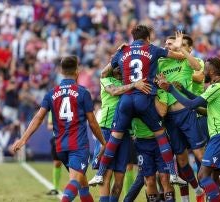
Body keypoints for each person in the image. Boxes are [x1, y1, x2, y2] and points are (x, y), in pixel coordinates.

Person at [89, 24, 186, 186]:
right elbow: (180, 57)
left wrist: (117, 53)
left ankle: (99, 174)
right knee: (160, 135)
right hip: (144, 98)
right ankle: (173, 173)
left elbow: (104, 73)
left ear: (133, 37)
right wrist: (178, 46)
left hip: (126, 100)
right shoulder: (153, 49)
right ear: (148, 37)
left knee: (115, 138)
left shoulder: (123, 50)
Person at [12, 55, 106, 202]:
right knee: (75, 180)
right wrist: (103, 142)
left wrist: (24, 138)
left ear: (61, 72)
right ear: (77, 71)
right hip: (78, 145)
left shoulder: (51, 93)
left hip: (61, 146)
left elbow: (38, 117)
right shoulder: (83, 93)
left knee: (83, 185)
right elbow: (93, 122)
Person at [157, 57, 220, 201]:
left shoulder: (215, 87)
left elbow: (192, 105)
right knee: (212, 173)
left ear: (211, 71)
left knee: (203, 175)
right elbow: (202, 104)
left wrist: (171, 89)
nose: (202, 71)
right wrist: (184, 90)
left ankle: (215, 197)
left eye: (204, 69)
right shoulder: (217, 88)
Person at [90, 66, 151, 202]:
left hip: (125, 132)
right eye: (116, 65)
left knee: (120, 177)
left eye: (121, 65)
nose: (118, 67)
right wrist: (134, 84)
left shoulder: (128, 83)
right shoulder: (106, 80)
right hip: (107, 129)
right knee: (106, 175)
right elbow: (113, 91)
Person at [158, 34, 205, 202]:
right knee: (181, 159)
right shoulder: (160, 62)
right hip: (170, 117)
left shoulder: (186, 60)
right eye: (166, 43)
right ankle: (197, 189)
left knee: (200, 154)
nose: (167, 45)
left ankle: (213, 189)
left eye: (170, 43)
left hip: (187, 113)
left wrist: (181, 49)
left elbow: (198, 69)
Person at [46, 112, 62, 196]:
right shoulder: (52, 110)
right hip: (57, 138)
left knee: (72, 165)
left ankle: (76, 187)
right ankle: (55, 188)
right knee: (57, 163)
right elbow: (49, 126)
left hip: (70, 138)